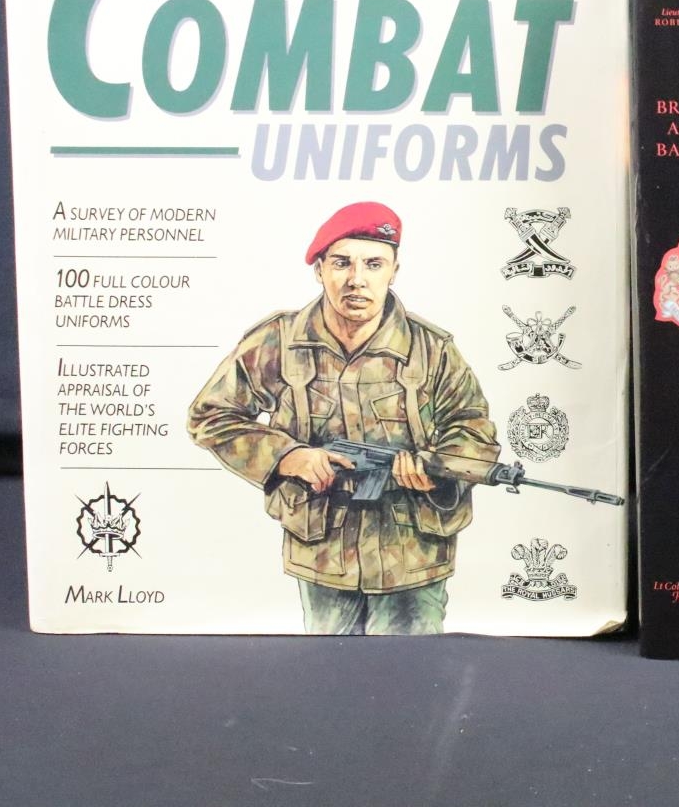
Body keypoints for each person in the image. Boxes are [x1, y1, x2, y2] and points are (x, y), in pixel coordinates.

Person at [187, 201, 499, 635]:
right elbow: (211, 415)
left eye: (373, 264)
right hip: (323, 553)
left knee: (413, 667)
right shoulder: (279, 341)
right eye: (341, 263)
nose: (357, 279)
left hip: (413, 555)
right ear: (319, 270)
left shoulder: (433, 349)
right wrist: (288, 456)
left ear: (394, 270)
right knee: (330, 667)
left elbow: (474, 430)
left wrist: (435, 470)